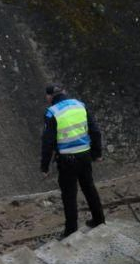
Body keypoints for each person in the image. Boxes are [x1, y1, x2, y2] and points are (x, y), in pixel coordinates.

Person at [40, 84, 106, 236]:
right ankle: (99, 220)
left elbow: (47, 142)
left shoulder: (52, 113)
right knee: (89, 188)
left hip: (66, 159)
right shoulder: (79, 105)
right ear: (63, 93)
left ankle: (71, 231)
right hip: (84, 156)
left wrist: (44, 167)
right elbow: (95, 130)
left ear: (50, 97)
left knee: (69, 195)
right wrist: (97, 153)